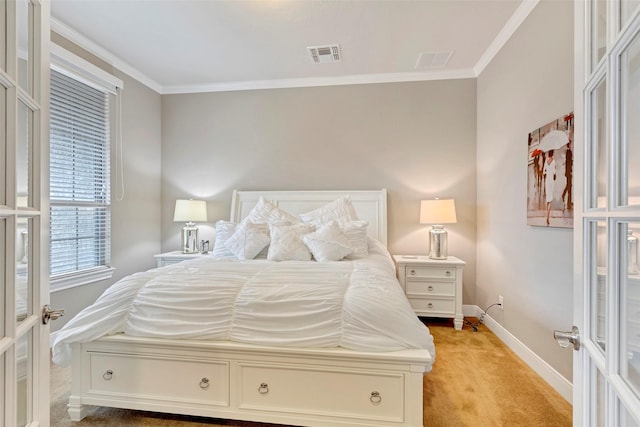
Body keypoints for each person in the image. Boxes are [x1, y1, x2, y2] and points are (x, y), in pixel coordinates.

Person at [543, 150, 556, 225]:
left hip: (547, 180)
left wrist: (546, 171)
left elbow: (544, 171)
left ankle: (547, 215)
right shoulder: (553, 160)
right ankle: (548, 216)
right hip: (551, 180)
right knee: (550, 199)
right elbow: (554, 171)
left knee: (548, 198)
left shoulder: (546, 160)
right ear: (553, 153)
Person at [562, 141, 573, 210]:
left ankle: (564, 195)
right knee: (569, 186)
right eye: (571, 144)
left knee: (569, 185)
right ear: (569, 145)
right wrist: (570, 171)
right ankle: (569, 202)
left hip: (568, 172)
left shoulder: (568, 152)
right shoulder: (569, 152)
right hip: (569, 172)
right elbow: (568, 163)